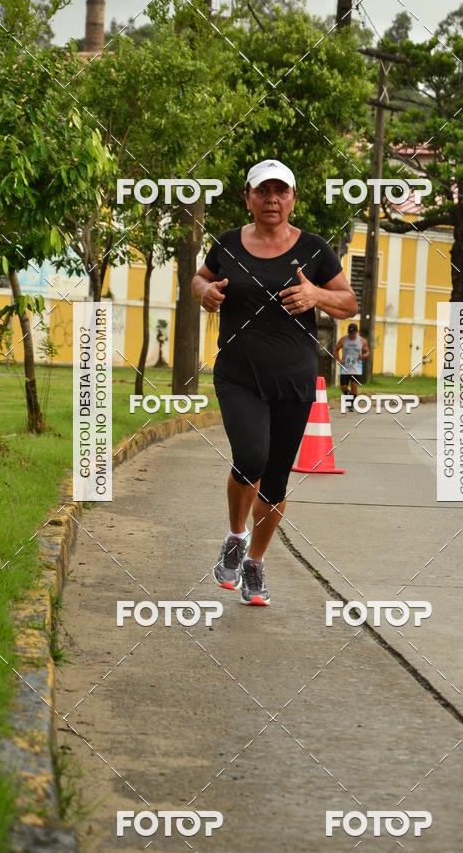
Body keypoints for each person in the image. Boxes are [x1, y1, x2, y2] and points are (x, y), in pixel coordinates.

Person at [191, 159, 358, 606]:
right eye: (262, 191)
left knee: (277, 480)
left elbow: (348, 303)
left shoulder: (316, 250)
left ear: (293, 199)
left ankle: (255, 563)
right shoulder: (227, 244)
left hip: (295, 380)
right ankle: (233, 536)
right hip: (239, 375)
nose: (271, 199)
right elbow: (200, 278)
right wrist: (202, 291)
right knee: (251, 456)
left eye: (280, 191)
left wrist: (316, 295)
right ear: (247, 198)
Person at [334, 323, 369, 411]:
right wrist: (339, 360)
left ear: (357, 332)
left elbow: (367, 352)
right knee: (343, 387)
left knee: (354, 386)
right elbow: (336, 350)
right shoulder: (343, 340)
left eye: (353, 333)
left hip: (356, 368)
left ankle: (351, 405)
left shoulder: (362, 341)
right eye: (350, 333)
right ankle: (349, 396)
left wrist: (363, 356)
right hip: (345, 367)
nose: (351, 335)